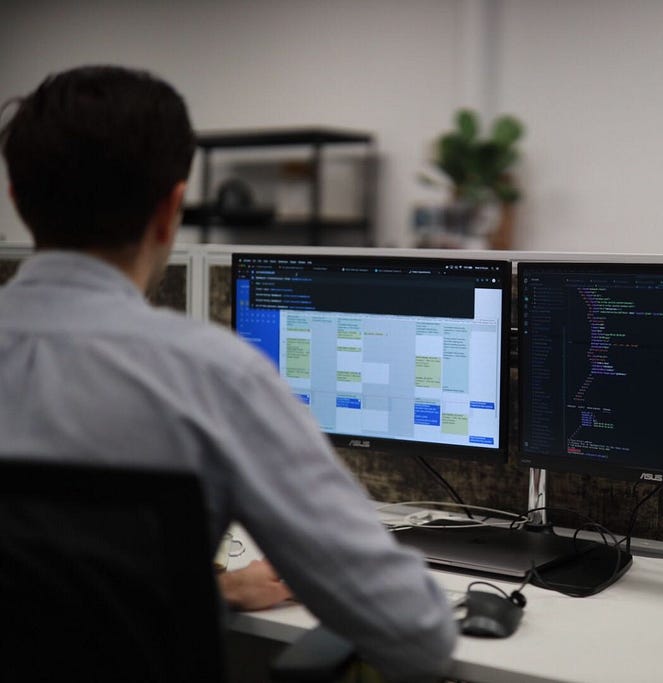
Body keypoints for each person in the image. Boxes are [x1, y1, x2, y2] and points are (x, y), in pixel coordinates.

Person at [0, 65, 456, 682]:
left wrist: (217, 594)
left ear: (18, 200)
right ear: (171, 210)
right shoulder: (213, 377)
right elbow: (416, 634)